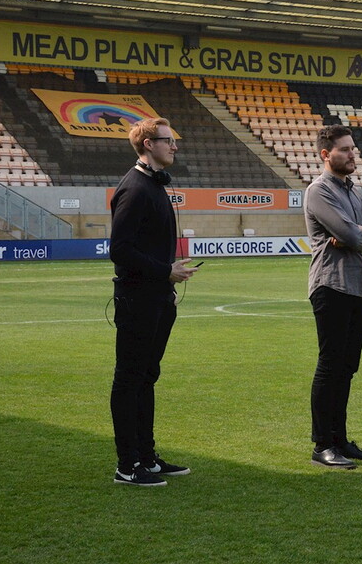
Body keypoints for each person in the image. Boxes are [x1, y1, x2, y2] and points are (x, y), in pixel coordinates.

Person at [109, 117, 200, 487]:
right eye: (168, 140)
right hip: (138, 300)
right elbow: (119, 250)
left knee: (146, 377)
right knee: (129, 379)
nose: (174, 146)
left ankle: (146, 457)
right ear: (148, 144)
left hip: (158, 298)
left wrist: (167, 280)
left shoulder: (155, 185)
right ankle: (127, 465)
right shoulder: (134, 188)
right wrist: (165, 271)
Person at [304, 124, 362, 469]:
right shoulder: (319, 191)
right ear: (326, 154)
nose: (353, 154)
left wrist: (359, 233)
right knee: (330, 365)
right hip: (332, 286)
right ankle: (322, 444)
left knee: (347, 368)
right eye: (345, 149)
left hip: (358, 287)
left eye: (353, 148)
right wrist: (358, 235)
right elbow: (353, 237)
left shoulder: (353, 192)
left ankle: (339, 440)